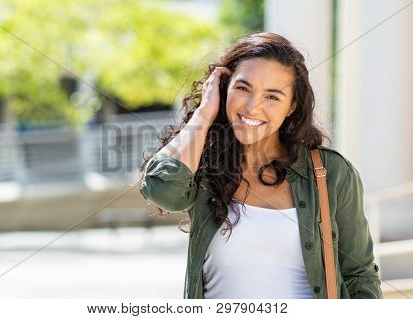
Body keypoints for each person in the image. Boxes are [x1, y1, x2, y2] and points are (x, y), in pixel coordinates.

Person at [139, 32, 382, 299]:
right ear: (224, 88)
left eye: (272, 97)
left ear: (292, 106)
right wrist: (205, 113)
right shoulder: (203, 165)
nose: (253, 107)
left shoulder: (332, 173)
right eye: (243, 88)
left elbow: (360, 276)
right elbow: (162, 191)